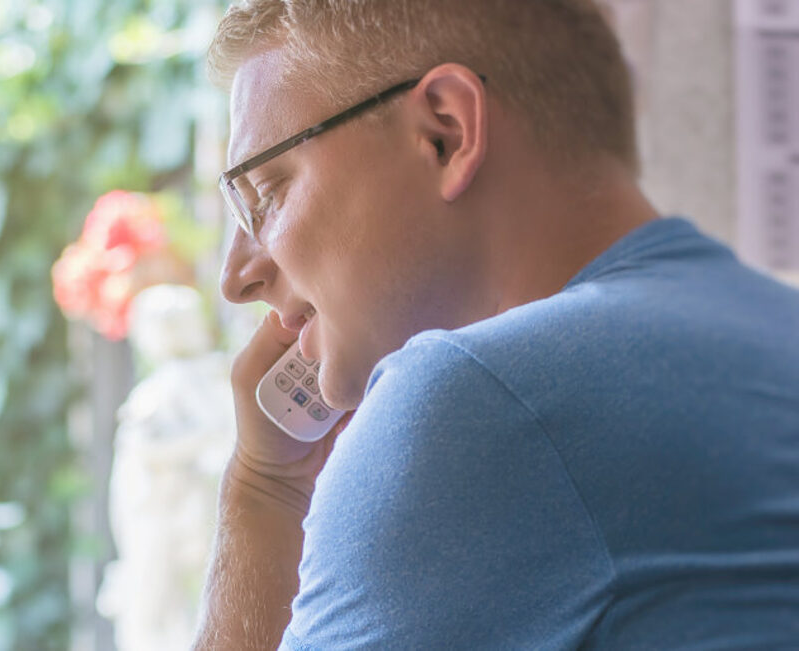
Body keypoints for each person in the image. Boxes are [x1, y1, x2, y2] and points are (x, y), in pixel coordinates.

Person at [193, 1, 799, 649]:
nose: (238, 276)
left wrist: (264, 490)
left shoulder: (470, 403)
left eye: (266, 192)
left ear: (445, 132)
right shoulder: (774, 325)